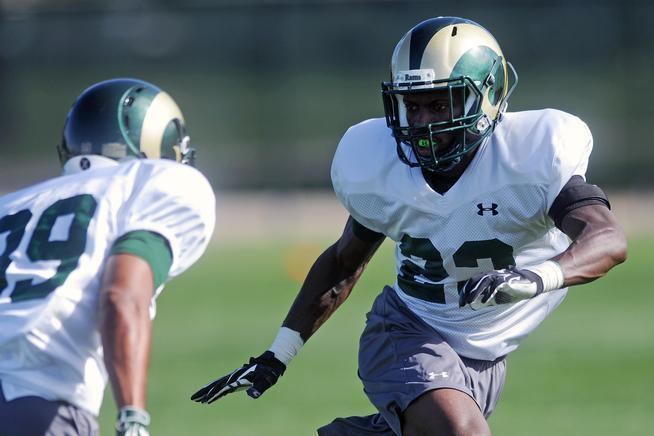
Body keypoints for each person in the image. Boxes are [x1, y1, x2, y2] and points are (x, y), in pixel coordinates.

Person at [191, 16, 627, 436]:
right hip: (407, 330)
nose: (422, 124)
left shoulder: (530, 158)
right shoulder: (379, 167)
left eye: (439, 105)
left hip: (485, 357)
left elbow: (607, 240)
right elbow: (344, 262)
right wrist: (277, 354)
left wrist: (535, 278)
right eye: (412, 106)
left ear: (488, 97)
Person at [0, 78, 215, 436]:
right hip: (37, 405)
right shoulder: (151, 184)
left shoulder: (9, 205)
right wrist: (133, 417)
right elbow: (120, 295)